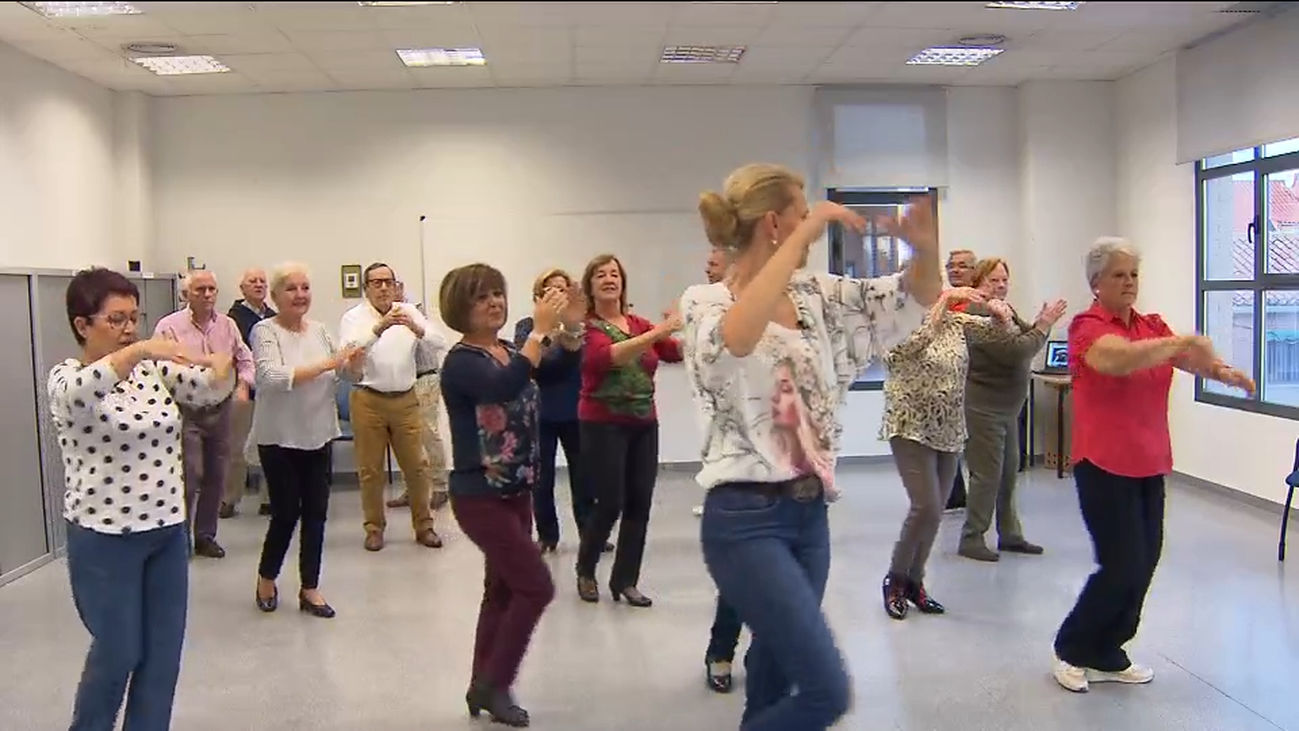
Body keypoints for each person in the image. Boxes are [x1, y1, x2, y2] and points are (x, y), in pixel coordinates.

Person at [681, 163, 940, 729]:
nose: (812, 228)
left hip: (808, 516)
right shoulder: (705, 302)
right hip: (744, 519)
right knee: (827, 690)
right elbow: (738, 340)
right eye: (801, 214)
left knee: (774, 683)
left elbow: (910, 299)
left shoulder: (818, 295)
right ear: (775, 224)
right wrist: (801, 233)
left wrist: (925, 251)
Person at [1051, 238, 1253, 693]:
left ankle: (1110, 649)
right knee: (1120, 564)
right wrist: (1177, 342)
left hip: (1149, 461)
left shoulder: (1151, 327)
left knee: (1145, 562)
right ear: (1096, 283)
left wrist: (1223, 372)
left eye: (1134, 274)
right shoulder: (1087, 326)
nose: (1129, 283)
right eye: (1119, 275)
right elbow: (1114, 359)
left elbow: (1188, 358)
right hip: (1101, 463)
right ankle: (1071, 648)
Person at [50, 267, 235, 730]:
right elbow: (81, 394)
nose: (129, 328)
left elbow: (210, 387)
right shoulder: (67, 379)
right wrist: (140, 350)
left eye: (134, 317)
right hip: (105, 537)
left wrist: (221, 367)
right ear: (82, 325)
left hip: (167, 531)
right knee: (119, 650)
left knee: (162, 656)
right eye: (116, 319)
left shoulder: (151, 372)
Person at [439, 263, 561, 728]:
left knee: (504, 589)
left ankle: (480, 683)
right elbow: (502, 388)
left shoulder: (507, 349)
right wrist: (539, 334)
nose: (493, 302)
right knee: (536, 585)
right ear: (459, 309)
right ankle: (497, 682)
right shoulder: (463, 361)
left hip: (515, 488)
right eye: (480, 297)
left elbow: (549, 366)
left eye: (497, 293)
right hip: (479, 493)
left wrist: (562, 327)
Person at [879, 286, 1022, 620]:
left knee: (936, 509)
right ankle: (895, 580)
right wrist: (942, 303)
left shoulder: (956, 323)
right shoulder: (895, 322)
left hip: (949, 427)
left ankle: (915, 581)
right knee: (924, 505)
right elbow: (902, 352)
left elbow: (1000, 335)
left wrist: (1003, 317)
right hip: (910, 426)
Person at [251, 264, 362, 619]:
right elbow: (270, 377)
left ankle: (309, 588)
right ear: (276, 296)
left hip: (319, 434)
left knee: (316, 514)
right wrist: (330, 362)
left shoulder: (321, 330)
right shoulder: (263, 331)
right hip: (280, 438)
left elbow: (346, 373)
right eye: (291, 289)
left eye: (305, 287)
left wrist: (353, 364)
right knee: (285, 514)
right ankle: (267, 578)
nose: (300, 295)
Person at [574, 254, 683, 607]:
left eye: (615, 274)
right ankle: (586, 569)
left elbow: (673, 351)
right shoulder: (587, 328)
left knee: (640, 503)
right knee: (610, 503)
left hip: (643, 424)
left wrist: (701, 328)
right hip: (602, 424)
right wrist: (659, 332)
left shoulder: (639, 323)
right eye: (601, 275)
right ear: (590, 286)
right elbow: (604, 358)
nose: (609, 279)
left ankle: (625, 580)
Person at [958, 257, 1066, 562]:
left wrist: (1040, 322)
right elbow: (1017, 350)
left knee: (1007, 475)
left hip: (1006, 408)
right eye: (994, 280)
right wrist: (1045, 324)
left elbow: (1025, 336)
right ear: (978, 283)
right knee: (987, 476)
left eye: (1005, 279)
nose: (1001, 285)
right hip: (983, 409)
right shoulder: (975, 313)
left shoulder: (1005, 310)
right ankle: (972, 537)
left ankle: (1010, 534)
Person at [340, 262, 447, 551]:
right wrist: (378, 329)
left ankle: (424, 526)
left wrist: (416, 327)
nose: (384, 287)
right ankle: (374, 528)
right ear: (366, 289)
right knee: (370, 470)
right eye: (377, 283)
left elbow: (441, 341)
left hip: (405, 398)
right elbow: (349, 351)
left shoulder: (408, 312)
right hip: (368, 399)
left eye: (389, 281)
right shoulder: (354, 317)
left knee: (417, 466)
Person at [154, 270, 254, 558]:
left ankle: (205, 536)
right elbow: (158, 367)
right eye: (200, 290)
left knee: (216, 474)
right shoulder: (168, 326)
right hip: (186, 410)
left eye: (212, 289)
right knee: (190, 474)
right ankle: (180, 538)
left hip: (220, 408)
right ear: (186, 295)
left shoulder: (227, 325)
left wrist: (244, 383)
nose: (208, 295)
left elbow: (244, 358)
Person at [512, 268, 593, 553]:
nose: (559, 294)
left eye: (564, 288)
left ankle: (590, 532)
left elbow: (577, 360)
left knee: (584, 477)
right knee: (541, 479)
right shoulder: (527, 327)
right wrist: (548, 333)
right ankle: (548, 535)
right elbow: (532, 364)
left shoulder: (580, 327)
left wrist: (570, 331)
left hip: (576, 409)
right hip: (540, 412)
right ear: (539, 296)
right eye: (552, 289)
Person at [385, 280, 451, 512]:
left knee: (428, 433)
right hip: (402, 382)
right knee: (404, 439)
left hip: (425, 378)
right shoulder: (383, 320)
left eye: (391, 286)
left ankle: (440, 487)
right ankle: (410, 489)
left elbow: (435, 341)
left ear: (400, 289)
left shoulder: (415, 313)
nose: (387, 291)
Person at [221, 267, 276, 519]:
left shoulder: (274, 318)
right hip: (244, 392)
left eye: (262, 281)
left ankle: (269, 498)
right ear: (242, 288)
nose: (258, 285)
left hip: (270, 393)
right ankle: (229, 499)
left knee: (271, 447)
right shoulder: (232, 320)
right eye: (252, 281)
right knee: (237, 448)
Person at [944, 249, 977, 510]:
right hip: (947, 383)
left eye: (962, 266)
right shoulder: (941, 302)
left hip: (976, 384)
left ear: (974, 272)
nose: (955, 270)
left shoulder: (980, 303)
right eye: (951, 266)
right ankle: (954, 496)